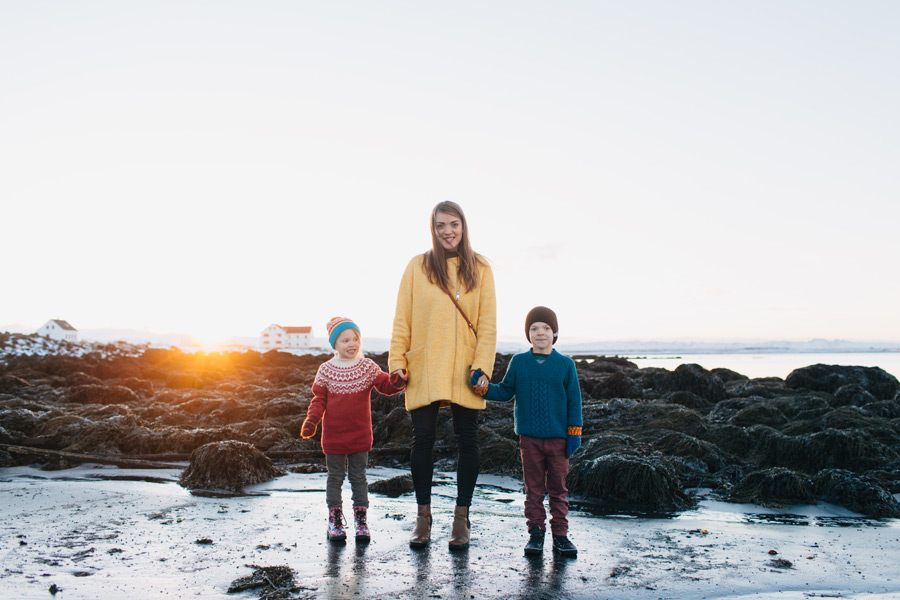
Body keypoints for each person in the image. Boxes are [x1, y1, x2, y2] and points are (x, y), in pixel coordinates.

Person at [389, 201, 497, 551]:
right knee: (422, 440)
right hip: (424, 364)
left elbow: (487, 325)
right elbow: (402, 319)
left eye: (454, 224)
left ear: (464, 226)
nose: (447, 231)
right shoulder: (417, 266)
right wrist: (396, 363)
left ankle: (461, 517)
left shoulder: (481, 268)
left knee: (467, 440)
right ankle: (423, 517)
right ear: (432, 229)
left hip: (466, 365)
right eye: (440, 225)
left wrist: (482, 366)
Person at [475, 306, 582, 557]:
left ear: (554, 333)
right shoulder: (519, 362)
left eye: (546, 328)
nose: (540, 333)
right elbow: (504, 390)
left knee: (558, 490)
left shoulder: (565, 365)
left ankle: (560, 536)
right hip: (529, 439)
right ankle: (535, 534)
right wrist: (483, 388)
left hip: (558, 440)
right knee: (533, 490)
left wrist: (574, 434)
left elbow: (574, 402)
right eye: (534, 329)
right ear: (528, 334)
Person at [301, 316, 405, 544]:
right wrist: (312, 421)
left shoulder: (367, 366)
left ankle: (361, 521)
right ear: (335, 345)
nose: (351, 344)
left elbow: (385, 385)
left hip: (360, 435)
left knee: (359, 478)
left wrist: (397, 380)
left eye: (355, 338)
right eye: (345, 340)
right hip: (334, 437)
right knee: (335, 478)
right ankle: (334, 521)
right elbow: (319, 399)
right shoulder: (326, 370)